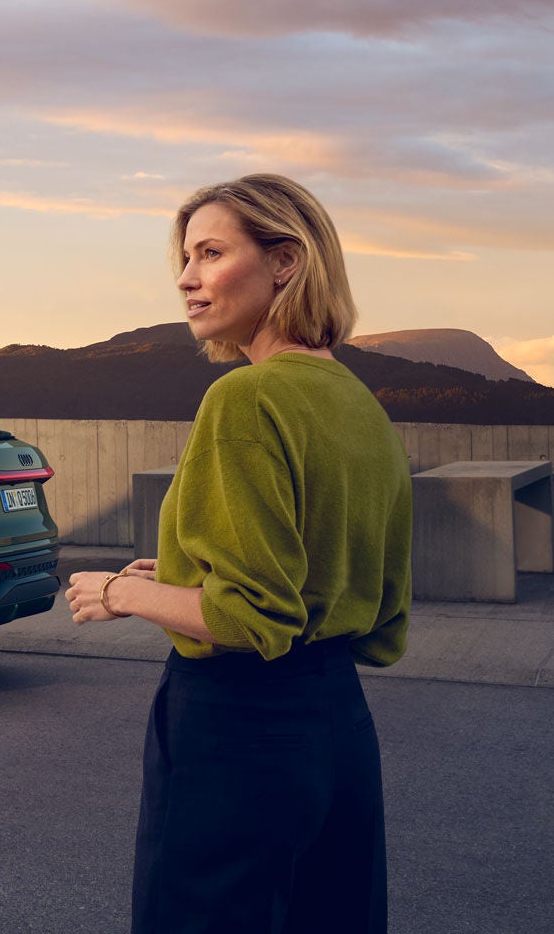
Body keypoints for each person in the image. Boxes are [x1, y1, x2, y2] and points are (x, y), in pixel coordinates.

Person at [66, 173, 411, 933]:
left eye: (212, 253)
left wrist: (118, 592)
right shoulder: (357, 403)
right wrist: (177, 577)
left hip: (237, 729)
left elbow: (253, 617)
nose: (187, 278)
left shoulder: (245, 398)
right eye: (186, 259)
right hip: (340, 726)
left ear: (285, 261)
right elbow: (340, 584)